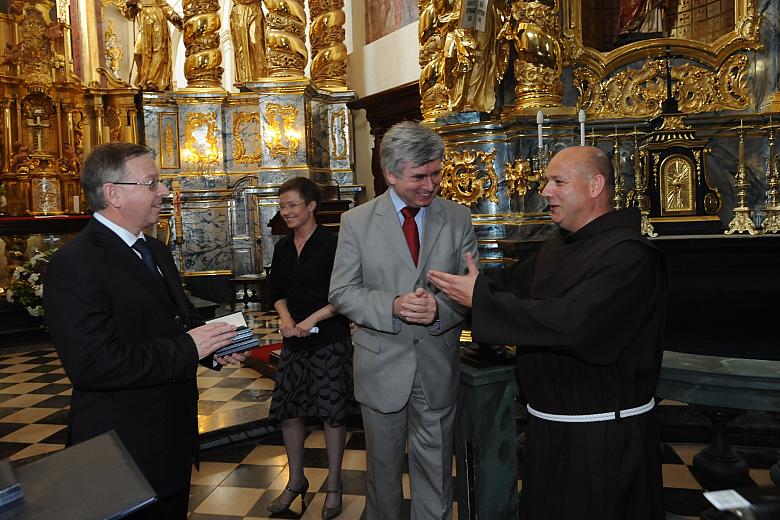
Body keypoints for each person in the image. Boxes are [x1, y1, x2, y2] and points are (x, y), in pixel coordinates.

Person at [428, 146, 667, 520]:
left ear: (595, 186)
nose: (545, 191)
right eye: (545, 182)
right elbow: (509, 287)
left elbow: (574, 322)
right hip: (549, 430)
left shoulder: (630, 256)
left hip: (602, 441)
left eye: (558, 181)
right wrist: (460, 289)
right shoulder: (558, 246)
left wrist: (480, 297)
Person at [44, 142, 243, 519]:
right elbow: (94, 363)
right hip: (120, 450)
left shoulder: (155, 249)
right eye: (152, 183)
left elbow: (176, 322)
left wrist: (215, 345)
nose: (164, 191)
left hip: (171, 441)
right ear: (113, 193)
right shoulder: (75, 264)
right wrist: (190, 347)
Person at [329, 121, 479, 519]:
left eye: (436, 173)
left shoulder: (458, 217)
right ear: (391, 174)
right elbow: (341, 293)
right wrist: (393, 305)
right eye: (419, 177)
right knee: (383, 476)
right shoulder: (357, 222)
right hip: (381, 369)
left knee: (437, 474)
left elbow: (471, 289)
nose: (431, 185)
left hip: (436, 366)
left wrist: (440, 310)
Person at [266, 177, 357, 519]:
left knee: (332, 414)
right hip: (294, 341)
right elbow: (275, 291)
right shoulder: (282, 247)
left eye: (292, 205)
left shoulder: (333, 244)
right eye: (282, 206)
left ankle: (334, 485)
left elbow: (345, 294)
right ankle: (295, 481)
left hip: (330, 339)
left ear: (311, 206)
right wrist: (287, 319)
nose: (285, 211)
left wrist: (312, 319)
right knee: (290, 412)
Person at [124, 0, 183, 91]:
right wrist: (129, 5)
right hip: (144, 25)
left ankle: (153, 81)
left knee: (158, 50)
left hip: (158, 21)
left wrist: (172, 15)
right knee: (138, 53)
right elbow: (129, 16)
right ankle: (143, 78)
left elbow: (163, 5)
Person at [230, 0, 266, 87]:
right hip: (239, 12)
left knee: (255, 41)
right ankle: (244, 77)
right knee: (241, 48)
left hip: (254, 9)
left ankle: (262, 75)